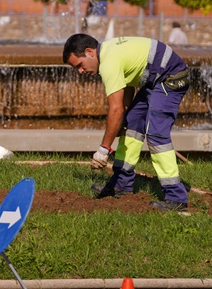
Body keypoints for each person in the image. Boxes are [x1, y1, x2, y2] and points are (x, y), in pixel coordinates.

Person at [62, 33, 190, 212]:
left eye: (80, 66)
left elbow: (115, 110)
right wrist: (126, 113)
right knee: (131, 125)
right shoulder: (108, 52)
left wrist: (103, 150)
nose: (81, 72)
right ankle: (121, 186)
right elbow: (128, 83)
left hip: (171, 77)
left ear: (89, 52)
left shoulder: (108, 62)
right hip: (155, 79)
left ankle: (176, 198)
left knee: (156, 136)